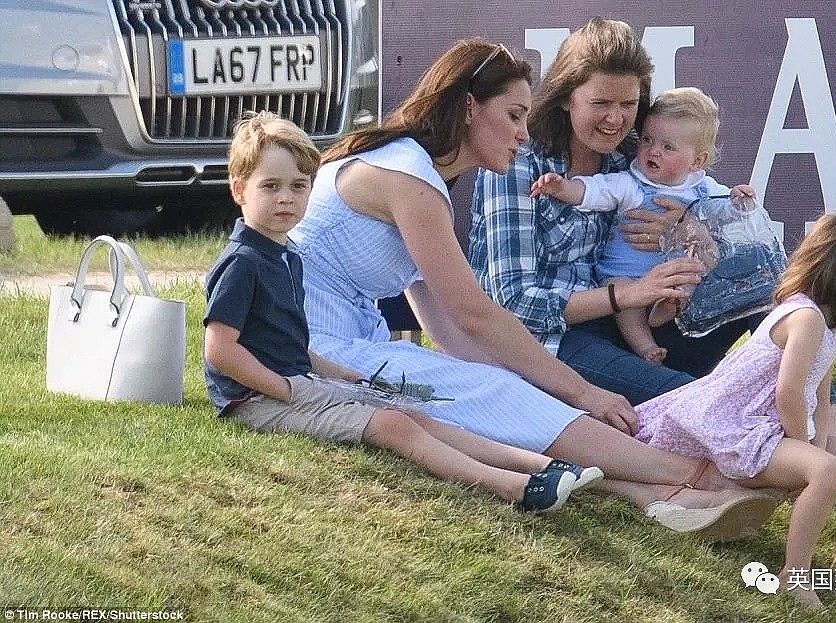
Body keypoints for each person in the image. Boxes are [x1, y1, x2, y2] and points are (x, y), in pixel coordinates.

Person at [469, 16, 836, 538]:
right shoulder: (520, 167)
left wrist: (692, 228)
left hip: (647, 318)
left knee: (775, 299)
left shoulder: (640, 152)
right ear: (566, 98)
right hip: (558, 341)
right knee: (698, 399)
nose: (615, 120)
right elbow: (512, 300)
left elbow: (704, 207)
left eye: (627, 105)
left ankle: (831, 446)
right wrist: (627, 293)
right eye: (600, 104)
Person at [287, 39, 779, 539]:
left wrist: (487, 369)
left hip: (349, 342)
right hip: (317, 347)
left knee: (493, 389)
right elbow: (477, 313)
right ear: (469, 108)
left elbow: (429, 299)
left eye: (626, 105)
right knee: (496, 391)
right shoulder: (409, 178)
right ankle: (692, 475)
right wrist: (583, 391)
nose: (523, 133)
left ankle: (658, 492)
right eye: (514, 115)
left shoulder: (420, 171)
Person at [202, 110, 607, 515]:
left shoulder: (286, 255)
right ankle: (518, 488)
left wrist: (335, 374)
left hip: (296, 381)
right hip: (255, 402)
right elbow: (220, 350)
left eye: (298, 186)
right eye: (270, 186)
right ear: (239, 190)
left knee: (406, 410)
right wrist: (287, 389)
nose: (286, 198)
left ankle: (547, 467)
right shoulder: (244, 262)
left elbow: (281, 340)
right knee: (391, 425)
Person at [634, 212, 836, 608]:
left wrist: (819, 441)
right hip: (743, 431)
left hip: (773, 430)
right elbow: (789, 393)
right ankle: (794, 576)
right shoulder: (806, 317)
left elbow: (820, 396)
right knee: (827, 471)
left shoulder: (830, 325)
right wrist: (807, 451)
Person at [529, 86, 755, 363]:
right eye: (647, 140)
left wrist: (739, 201)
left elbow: (725, 213)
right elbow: (594, 191)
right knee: (627, 305)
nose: (653, 151)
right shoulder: (632, 183)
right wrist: (562, 188)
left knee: (691, 276)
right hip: (623, 275)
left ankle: (669, 305)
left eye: (668, 147)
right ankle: (645, 346)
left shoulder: (703, 188)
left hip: (669, 274)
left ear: (697, 161)